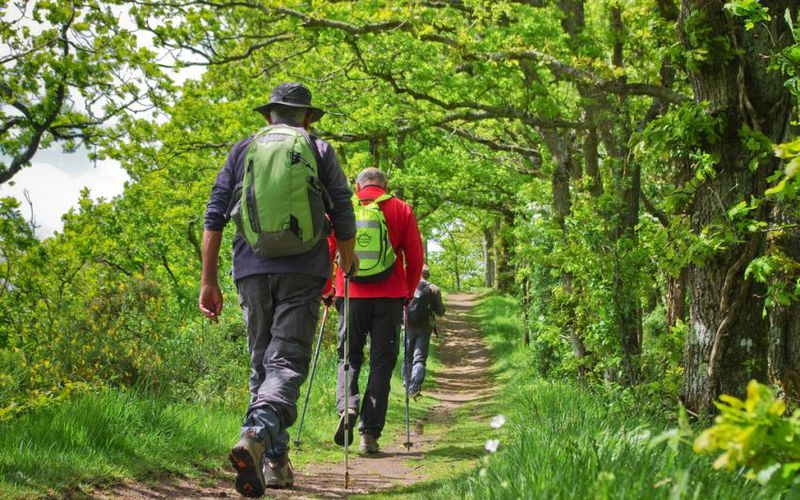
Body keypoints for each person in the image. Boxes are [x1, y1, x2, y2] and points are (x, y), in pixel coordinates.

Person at [199, 82, 356, 497]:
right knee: (285, 362)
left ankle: (274, 464)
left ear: (270, 115)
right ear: (306, 117)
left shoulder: (242, 150)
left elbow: (214, 216)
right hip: (304, 270)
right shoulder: (319, 150)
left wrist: (208, 280)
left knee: (261, 363)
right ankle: (256, 434)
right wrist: (346, 256)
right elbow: (342, 207)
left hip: (250, 268)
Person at [329, 167, 424, 455]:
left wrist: (327, 290)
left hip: (350, 293)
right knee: (382, 364)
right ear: (386, 184)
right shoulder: (400, 209)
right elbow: (415, 258)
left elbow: (329, 249)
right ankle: (369, 435)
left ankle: (347, 406)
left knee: (349, 356)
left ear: (357, 185)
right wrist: (407, 292)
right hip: (390, 296)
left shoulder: (344, 209)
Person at [403, 265, 446, 399]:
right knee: (419, 359)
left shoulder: (406, 285)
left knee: (407, 357)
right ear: (428, 275)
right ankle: (415, 387)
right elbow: (441, 311)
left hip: (408, 326)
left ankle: (406, 383)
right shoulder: (433, 289)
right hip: (425, 327)